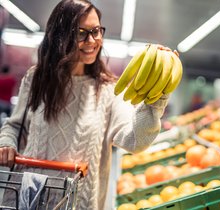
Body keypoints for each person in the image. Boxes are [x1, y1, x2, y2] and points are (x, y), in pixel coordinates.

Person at [0, 0, 171, 209]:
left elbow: (135, 141)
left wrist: (156, 102)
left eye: (96, 31)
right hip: (29, 199)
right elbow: (15, 125)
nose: (92, 40)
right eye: (81, 33)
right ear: (60, 35)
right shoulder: (36, 78)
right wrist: (6, 144)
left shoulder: (110, 90)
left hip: (78, 204)